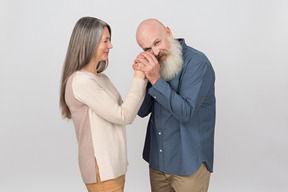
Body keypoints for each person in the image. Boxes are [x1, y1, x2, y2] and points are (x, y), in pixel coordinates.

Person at [59, 17, 147, 192]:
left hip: (114, 167)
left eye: (109, 40)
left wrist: (145, 76)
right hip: (101, 169)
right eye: (105, 41)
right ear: (89, 42)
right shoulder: (80, 81)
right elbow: (124, 116)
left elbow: (126, 109)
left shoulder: (101, 79)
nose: (110, 46)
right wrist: (138, 77)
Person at [133, 19, 216, 192]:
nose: (155, 52)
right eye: (147, 49)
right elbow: (141, 111)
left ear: (168, 33)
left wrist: (155, 79)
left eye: (157, 42)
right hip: (158, 161)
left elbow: (186, 112)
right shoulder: (155, 65)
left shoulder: (197, 63)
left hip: (189, 164)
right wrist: (140, 77)